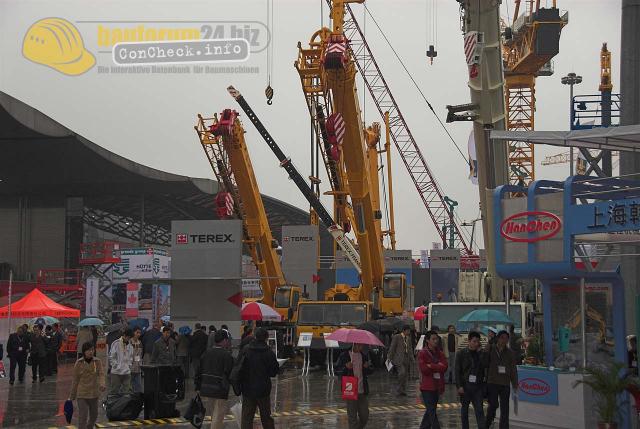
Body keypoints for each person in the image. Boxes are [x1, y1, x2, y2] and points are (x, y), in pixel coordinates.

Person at [239, 327, 279, 429]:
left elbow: (239, 367)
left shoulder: (246, 350)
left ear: (255, 337)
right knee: (266, 416)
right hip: (263, 389)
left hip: (247, 388)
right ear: (266, 338)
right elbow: (273, 372)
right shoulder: (269, 352)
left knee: (247, 417)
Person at [196, 330, 234, 429]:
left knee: (213, 414)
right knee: (218, 415)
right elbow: (230, 373)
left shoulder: (206, 353)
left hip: (206, 388)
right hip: (220, 389)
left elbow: (198, 370)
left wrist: (197, 386)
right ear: (224, 340)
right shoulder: (226, 355)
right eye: (227, 340)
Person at [485, 330, 518, 429]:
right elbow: (484, 363)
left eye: (506, 338)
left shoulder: (510, 353)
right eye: (502, 338)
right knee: (493, 405)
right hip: (492, 381)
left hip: (505, 383)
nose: (504, 340)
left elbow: (513, 369)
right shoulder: (491, 349)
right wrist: (486, 351)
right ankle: (486, 424)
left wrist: (515, 383)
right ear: (498, 339)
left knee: (505, 409)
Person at [336, 343, 374, 429]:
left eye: (362, 346)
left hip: (362, 390)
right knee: (352, 416)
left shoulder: (364, 356)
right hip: (350, 389)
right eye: (360, 345)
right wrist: (346, 367)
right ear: (354, 344)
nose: (361, 347)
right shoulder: (344, 355)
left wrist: (367, 367)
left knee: (365, 415)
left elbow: (371, 370)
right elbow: (338, 370)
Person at [69, 342, 106, 429]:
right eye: (89, 350)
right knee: (83, 416)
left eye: (92, 350)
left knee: (94, 415)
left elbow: (101, 374)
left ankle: (89, 427)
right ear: (84, 351)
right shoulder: (79, 363)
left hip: (94, 393)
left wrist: (102, 384)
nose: (91, 352)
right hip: (82, 394)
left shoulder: (97, 362)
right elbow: (75, 380)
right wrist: (72, 396)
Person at [455, 331, 487, 429]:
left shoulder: (481, 353)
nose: (476, 344)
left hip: (477, 386)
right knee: (464, 411)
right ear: (469, 341)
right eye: (474, 341)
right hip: (465, 386)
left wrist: (481, 354)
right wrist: (459, 386)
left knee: (479, 410)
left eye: (478, 342)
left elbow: (485, 366)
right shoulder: (461, 353)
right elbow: (457, 371)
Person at [418, 330, 447, 429]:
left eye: (437, 339)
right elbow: (424, 369)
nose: (436, 341)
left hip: (437, 385)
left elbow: (444, 367)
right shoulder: (423, 353)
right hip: (427, 387)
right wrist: (437, 366)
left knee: (431, 410)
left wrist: (432, 366)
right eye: (433, 339)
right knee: (431, 410)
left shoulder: (440, 353)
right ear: (427, 340)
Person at [388, 325, 414, 395]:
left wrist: (412, 359)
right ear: (404, 330)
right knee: (402, 373)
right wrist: (389, 357)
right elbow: (392, 347)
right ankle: (399, 388)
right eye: (407, 330)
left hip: (406, 358)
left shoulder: (408, 338)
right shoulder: (397, 337)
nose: (408, 332)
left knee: (405, 375)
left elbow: (410, 349)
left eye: (409, 331)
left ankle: (403, 390)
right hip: (398, 359)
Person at [109, 328, 134, 394]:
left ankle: (124, 404)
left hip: (127, 372)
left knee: (126, 391)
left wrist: (129, 366)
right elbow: (112, 357)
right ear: (124, 335)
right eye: (128, 337)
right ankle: (113, 403)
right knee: (114, 391)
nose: (129, 339)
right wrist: (116, 366)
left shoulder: (130, 346)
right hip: (116, 372)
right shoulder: (116, 343)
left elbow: (131, 357)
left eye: (130, 338)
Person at [130, 327, 143, 393]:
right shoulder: (129, 342)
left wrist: (139, 364)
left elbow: (140, 355)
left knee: (138, 386)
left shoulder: (140, 343)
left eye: (139, 333)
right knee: (129, 386)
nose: (138, 334)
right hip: (129, 368)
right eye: (137, 332)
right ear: (133, 332)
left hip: (137, 367)